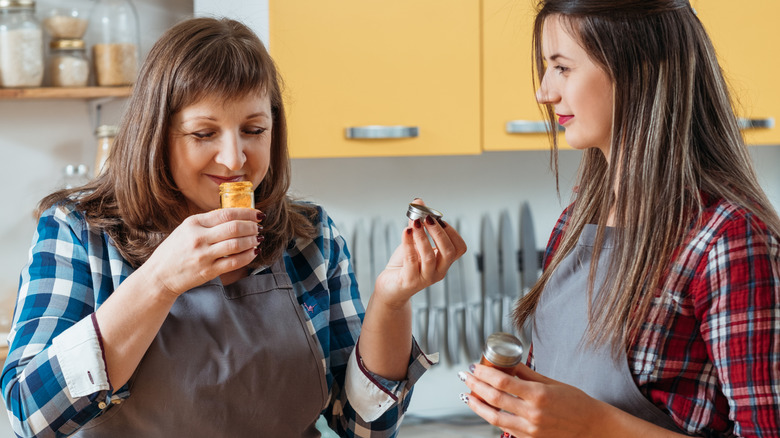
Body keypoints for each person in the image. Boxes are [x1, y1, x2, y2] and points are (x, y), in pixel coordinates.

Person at [1, 17, 466, 437]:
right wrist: (160, 280)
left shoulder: (310, 238)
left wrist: (392, 299)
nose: (235, 159)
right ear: (155, 135)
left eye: (254, 130)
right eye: (204, 134)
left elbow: (365, 426)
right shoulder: (81, 234)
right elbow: (29, 416)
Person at [458, 1, 780, 437]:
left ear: (639, 66)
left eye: (562, 68)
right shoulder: (574, 225)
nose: (544, 92)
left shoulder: (727, 239)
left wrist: (596, 425)